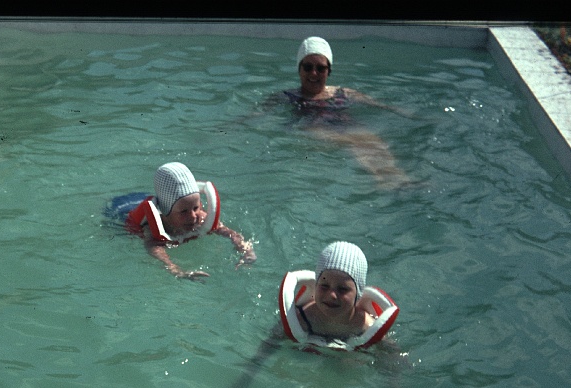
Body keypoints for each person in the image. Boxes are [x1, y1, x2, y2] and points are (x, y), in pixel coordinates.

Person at [227, 241, 404, 388]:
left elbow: (391, 354)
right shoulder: (302, 318)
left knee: (348, 366)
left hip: (343, 362)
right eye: (324, 286)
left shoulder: (365, 325)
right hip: (305, 356)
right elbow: (267, 347)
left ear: (358, 293)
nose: (332, 295)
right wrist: (247, 377)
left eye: (342, 289)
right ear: (316, 284)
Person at [264, 36, 414, 188]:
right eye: (308, 67)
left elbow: (382, 106)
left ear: (329, 71)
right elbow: (257, 114)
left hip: (345, 125)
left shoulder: (343, 93)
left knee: (374, 143)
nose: (314, 73)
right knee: (352, 142)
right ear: (299, 69)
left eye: (321, 68)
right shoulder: (286, 96)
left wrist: (412, 115)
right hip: (312, 126)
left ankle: (401, 181)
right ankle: (386, 182)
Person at [124, 162, 256, 280]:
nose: (193, 216)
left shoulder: (201, 218)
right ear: (165, 212)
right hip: (121, 212)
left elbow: (230, 233)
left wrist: (245, 250)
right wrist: (176, 270)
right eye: (183, 211)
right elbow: (154, 249)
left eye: (196, 207)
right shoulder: (154, 227)